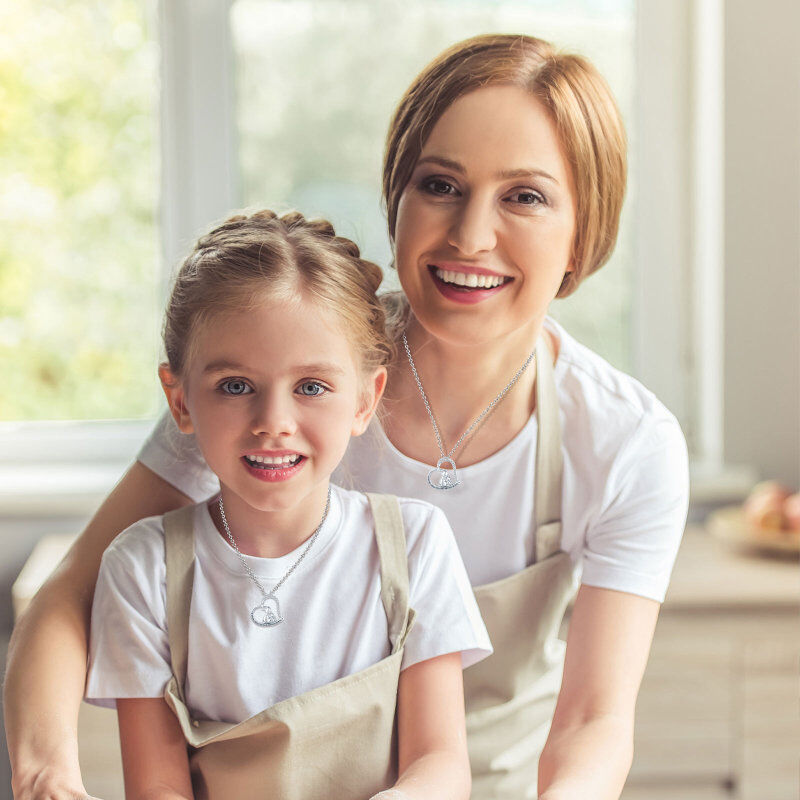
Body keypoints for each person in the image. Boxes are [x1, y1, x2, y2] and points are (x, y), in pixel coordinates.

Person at [5, 34, 689, 800]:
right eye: (439, 185)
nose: (469, 235)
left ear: (582, 234)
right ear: (395, 199)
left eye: (524, 196)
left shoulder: (628, 443)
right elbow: (72, 594)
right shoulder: (285, 370)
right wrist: (43, 775)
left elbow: (594, 724)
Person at [84, 209, 490, 800]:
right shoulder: (143, 568)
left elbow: (439, 764)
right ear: (180, 400)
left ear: (363, 400)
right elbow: (158, 789)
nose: (274, 423)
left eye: (312, 387)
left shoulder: (414, 543)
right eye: (235, 386)